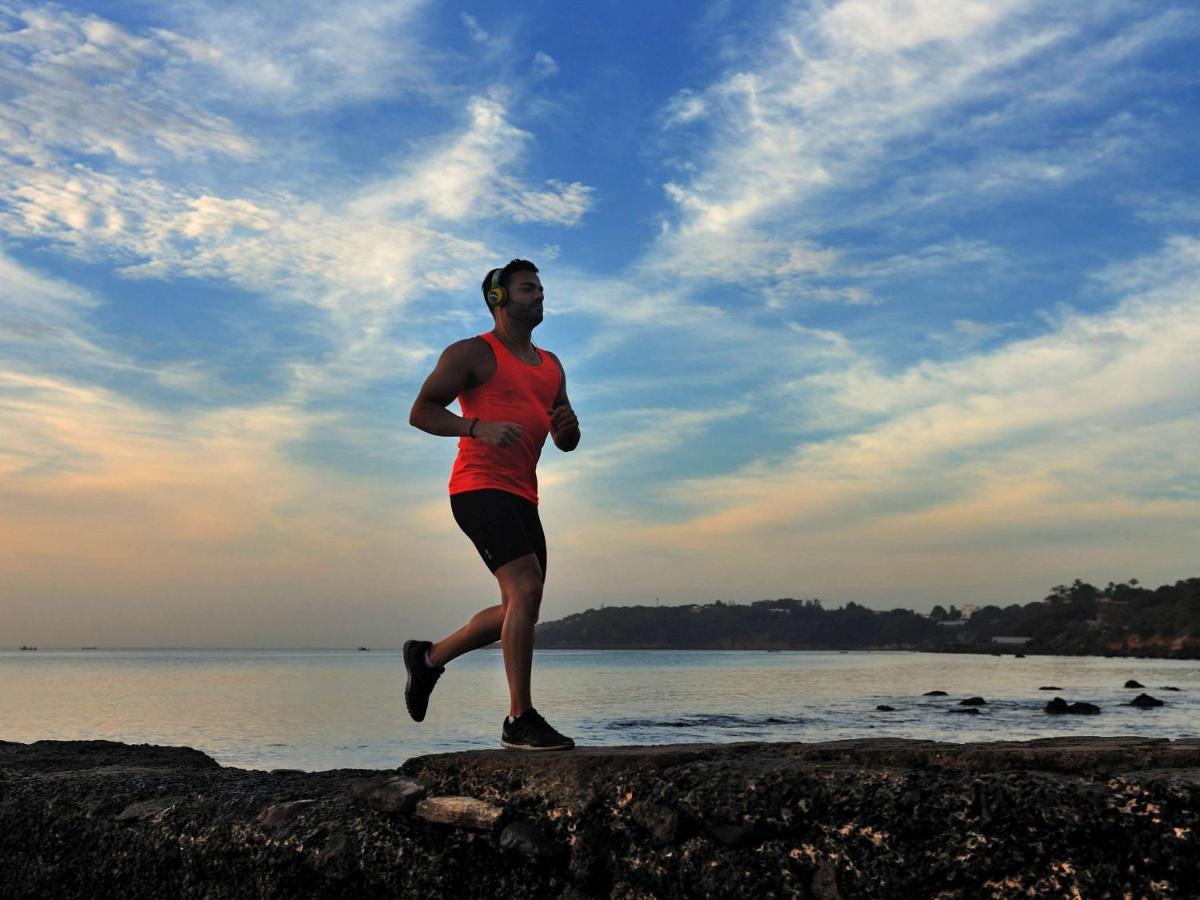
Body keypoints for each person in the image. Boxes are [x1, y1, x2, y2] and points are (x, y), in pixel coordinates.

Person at [404, 259, 581, 750]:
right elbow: (421, 411)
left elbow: (565, 431)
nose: (540, 295)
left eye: (542, 288)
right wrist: (475, 427)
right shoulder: (472, 353)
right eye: (528, 288)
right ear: (499, 298)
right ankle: (518, 720)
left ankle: (428, 659)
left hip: (524, 494)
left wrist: (569, 433)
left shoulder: (551, 365)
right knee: (524, 589)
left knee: (520, 604)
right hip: (477, 487)